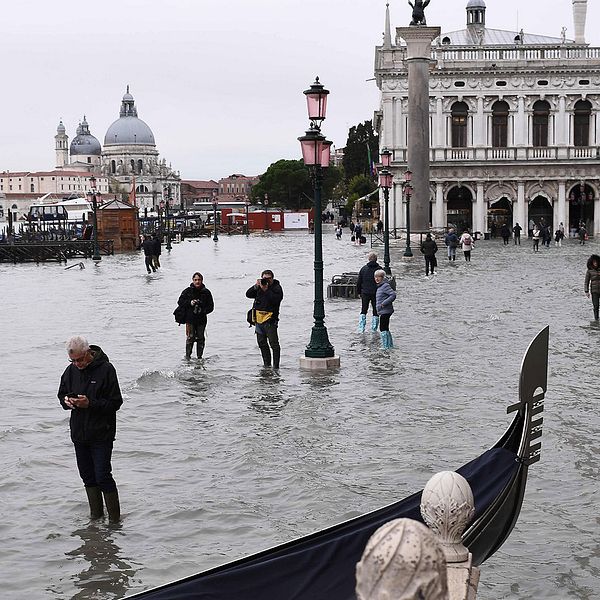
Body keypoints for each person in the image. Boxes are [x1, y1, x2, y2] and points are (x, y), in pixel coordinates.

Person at [58, 336, 123, 522]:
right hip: (79, 434)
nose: (77, 364)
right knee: (87, 476)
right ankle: (96, 518)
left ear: (88, 353)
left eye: (79, 359)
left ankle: (115, 522)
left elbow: (116, 402)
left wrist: (90, 404)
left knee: (102, 475)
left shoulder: (106, 369)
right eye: (73, 360)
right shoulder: (70, 371)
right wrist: (66, 401)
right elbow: (61, 394)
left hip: (102, 433)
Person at [246, 269, 284, 369]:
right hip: (258, 320)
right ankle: (267, 365)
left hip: (270, 320)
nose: (266, 281)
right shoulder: (259, 287)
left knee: (274, 344)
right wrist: (256, 286)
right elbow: (248, 294)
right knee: (262, 343)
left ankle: (276, 367)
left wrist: (266, 290)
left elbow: (276, 300)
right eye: (264, 279)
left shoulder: (277, 288)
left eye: (269, 279)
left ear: (272, 278)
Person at [177, 272, 215, 359]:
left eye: (199, 280)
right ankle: (188, 357)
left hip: (201, 319)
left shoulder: (206, 292)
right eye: (195, 280)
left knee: (201, 338)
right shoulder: (187, 291)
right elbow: (180, 302)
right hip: (190, 319)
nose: (197, 282)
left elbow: (211, 307)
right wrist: (190, 303)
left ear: (202, 280)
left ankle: (199, 357)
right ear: (192, 280)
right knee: (190, 338)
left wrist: (203, 310)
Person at [356, 252, 381, 332]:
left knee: (363, 310)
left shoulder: (364, 269)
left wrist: (359, 292)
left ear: (369, 259)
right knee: (375, 311)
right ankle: (374, 329)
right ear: (376, 259)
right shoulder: (379, 269)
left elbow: (359, 282)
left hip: (365, 293)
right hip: (376, 293)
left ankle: (361, 328)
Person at [374, 269, 396, 349]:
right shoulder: (380, 286)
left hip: (386, 310)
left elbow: (393, 295)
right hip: (383, 311)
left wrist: (384, 303)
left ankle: (385, 346)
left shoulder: (385, 286)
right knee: (385, 328)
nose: (376, 279)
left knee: (383, 328)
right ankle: (389, 345)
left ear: (382, 277)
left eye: (379, 277)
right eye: (375, 277)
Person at [584, 254, 600, 321]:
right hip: (594, 291)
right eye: (594, 262)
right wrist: (586, 291)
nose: (595, 263)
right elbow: (586, 281)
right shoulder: (589, 270)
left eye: (596, 262)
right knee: (596, 306)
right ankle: (596, 319)